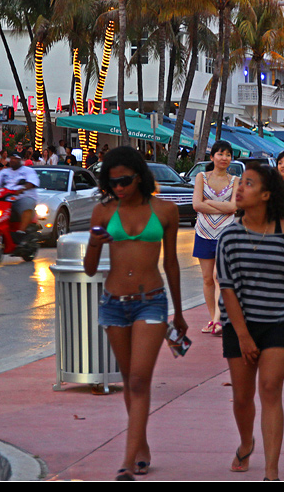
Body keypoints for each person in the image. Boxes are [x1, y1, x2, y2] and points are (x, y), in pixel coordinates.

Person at [215, 163, 284, 482]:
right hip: (239, 325)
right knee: (241, 397)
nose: (239, 188)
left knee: (270, 387)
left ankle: (272, 473)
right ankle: (246, 442)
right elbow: (227, 287)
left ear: (266, 194)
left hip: (280, 320)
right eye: (241, 183)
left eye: (248, 184)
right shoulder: (230, 235)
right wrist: (244, 336)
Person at [84, 146, 186, 481]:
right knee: (129, 381)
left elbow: (171, 263)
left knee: (140, 380)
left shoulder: (165, 210)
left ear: (139, 176)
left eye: (125, 180)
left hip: (151, 301)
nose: (119, 188)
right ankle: (140, 446)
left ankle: (127, 463)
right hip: (113, 303)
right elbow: (89, 269)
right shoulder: (103, 212)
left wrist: (179, 312)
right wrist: (96, 242)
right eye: (113, 182)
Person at [192, 141, 239, 336]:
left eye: (228, 154)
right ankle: (213, 318)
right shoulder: (201, 177)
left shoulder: (235, 180)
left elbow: (234, 207)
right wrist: (222, 207)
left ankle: (219, 320)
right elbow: (196, 205)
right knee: (206, 278)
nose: (224, 158)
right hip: (203, 232)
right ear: (212, 157)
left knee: (218, 276)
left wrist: (208, 202)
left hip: (226, 233)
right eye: (220, 154)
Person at [0, 152, 39, 241]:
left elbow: (32, 183)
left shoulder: (28, 171)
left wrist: (22, 189)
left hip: (23, 197)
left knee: (27, 206)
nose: (13, 160)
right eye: (11, 158)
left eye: (15, 158)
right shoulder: (4, 172)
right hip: (6, 198)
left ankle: (21, 232)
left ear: (21, 160)